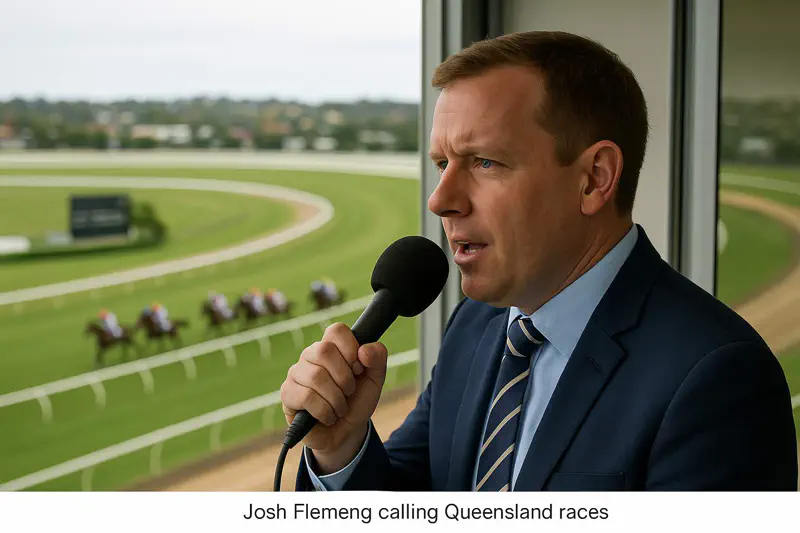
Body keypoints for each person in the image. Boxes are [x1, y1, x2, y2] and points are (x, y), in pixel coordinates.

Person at [281, 31, 798, 491]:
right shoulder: (478, 325)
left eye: (485, 162)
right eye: (443, 163)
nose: (441, 199)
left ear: (595, 178)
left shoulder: (717, 380)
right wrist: (340, 449)